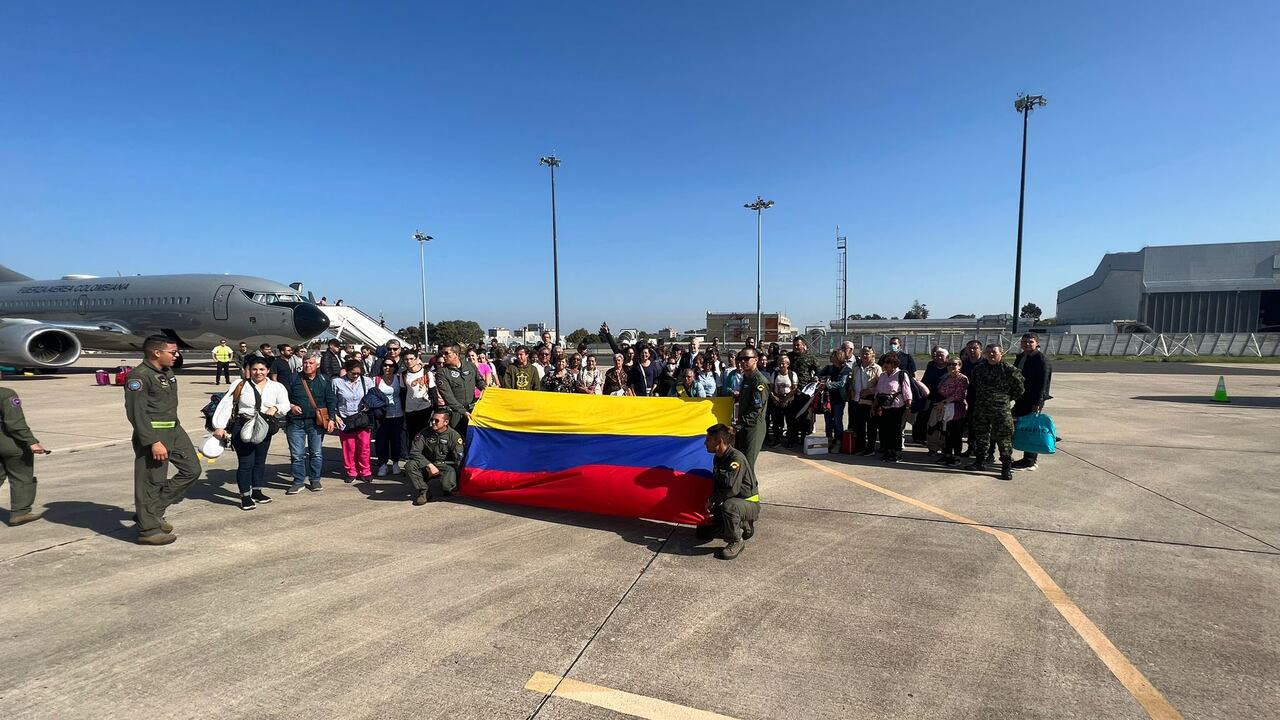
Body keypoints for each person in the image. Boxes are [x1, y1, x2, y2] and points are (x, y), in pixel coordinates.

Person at [125, 336, 202, 545]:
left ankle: (152, 510)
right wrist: (152, 442)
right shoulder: (139, 377)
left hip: (174, 430)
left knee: (192, 469)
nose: (176, 356)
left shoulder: (167, 373)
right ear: (156, 353)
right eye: (172, 352)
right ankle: (148, 530)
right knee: (151, 481)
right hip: (153, 435)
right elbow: (136, 413)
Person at [212, 358, 290, 510]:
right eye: (255, 369)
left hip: (264, 426)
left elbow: (286, 404)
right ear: (249, 370)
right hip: (242, 425)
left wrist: (275, 408)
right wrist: (220, 426)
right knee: (246, 462)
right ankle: (245, 496)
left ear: (267, 370)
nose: (258, 372)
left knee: (260, 461)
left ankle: (257, 491)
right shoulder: (240, 384)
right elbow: (227, 405)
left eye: (262, 369)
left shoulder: (277, 386)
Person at [699, 423, 760, 560]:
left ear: (719, 442)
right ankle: (725, 526)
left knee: (729, 506)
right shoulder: (719, 457)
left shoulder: (735, 459)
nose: (705, 443)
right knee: (702, 533)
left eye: (708, 440)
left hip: (747, 503)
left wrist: (712, 499)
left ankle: (737, 539)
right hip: (732, 500)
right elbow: (719, 483)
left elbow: (732, 489)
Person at [965, 344, 1025, 480]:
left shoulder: (1009, 369)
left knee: (1004, 439)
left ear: (1001, 353)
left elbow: (1019, 389)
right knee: (981, 437)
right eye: (989, 352)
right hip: (981, 409)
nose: (991, 355)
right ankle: (980, 461)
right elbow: (974, 385)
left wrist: (1005, 398)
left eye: (994, 352)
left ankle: (1006, 467)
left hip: (1001, 410)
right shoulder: (979, 369)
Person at [285, 355, 337, 494]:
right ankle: (298, 481)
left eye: (311, 363)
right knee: (297, 454)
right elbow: (283, 398)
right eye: (305, 362)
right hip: (296, 423)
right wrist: (291, 406)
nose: (308, 365)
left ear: (317, 365)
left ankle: (315, 479)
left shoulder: (325, 380)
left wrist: (331, 418)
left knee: (316, 453)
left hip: (316, 423)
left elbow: (331, 400)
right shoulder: (293, 378)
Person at [1, 386, 48, 525]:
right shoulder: (5, 394)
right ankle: (20, 513)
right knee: (21, 475)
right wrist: (31, 442)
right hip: (7, 441)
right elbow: (15, 423)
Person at [404, 409, 464, 505]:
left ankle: (447, 484)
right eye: (432, 419)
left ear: (446, 422)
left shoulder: (454, 436)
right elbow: (414, 452)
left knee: (448, 489)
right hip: (429, 465)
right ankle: (424, 492)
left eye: (436, 420)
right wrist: (429, 465)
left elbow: (459, 460)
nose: (433, 422)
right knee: (410, 465)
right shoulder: (424, 433)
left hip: (446, 466)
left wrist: (461, 484)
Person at [1012, 332, 1053, 471]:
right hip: (1021, 398)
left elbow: (1043, 384)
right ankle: (1026, 457)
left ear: (1037, 343)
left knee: (1031, 429)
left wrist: (1038, 403)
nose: (1027, 344)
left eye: (1030, 342)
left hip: (1032, 400)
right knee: (1020, 426)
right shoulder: (1022, 357)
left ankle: (1030, 460)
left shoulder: (1041, 360)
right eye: (1024, 342)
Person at [333, 359, 375, 483]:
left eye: (358, 373)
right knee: (348, 447)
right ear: (347, 371)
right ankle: (351, 471)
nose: (356, 376)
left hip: (362, 418)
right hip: (344, 418)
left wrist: (368, 405)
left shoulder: (366, 381)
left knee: (364, 446)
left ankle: (365, 471)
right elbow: (332, 399)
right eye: (353, 373)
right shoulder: (337, 382)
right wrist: (335, 415)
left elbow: (373, 397)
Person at [871, 353, 913, 462]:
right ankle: (888, 451)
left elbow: (907, 392)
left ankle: (897, 452)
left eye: (888, 363)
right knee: (885, 430)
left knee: (896, 430)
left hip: (897, 407)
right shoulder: (883, 376)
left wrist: (908, 408)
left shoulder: (901, 374)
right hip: (884, 407)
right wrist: (874, 406)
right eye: (884, 363)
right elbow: (878, 392)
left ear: (894, 364)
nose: (885, 365)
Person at [437, 344, 486, 434]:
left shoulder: (470, 366)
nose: (443, 356)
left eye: (446, 353)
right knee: (458, 438)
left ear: (456, 354)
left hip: (472, 410)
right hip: (456, 413)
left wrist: (485, 388)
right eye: (442, 353)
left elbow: (479, 380)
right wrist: (463, 412)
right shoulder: (442, 372)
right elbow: (448, 397)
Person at [733, 349, 769, 469]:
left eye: (747, 359)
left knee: (747, 465)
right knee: (740, 462)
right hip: (743, 425)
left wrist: (737, 426)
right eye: (740, 359)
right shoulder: (746, 379)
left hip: (753, 427)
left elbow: (756, 410)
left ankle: (751, 488)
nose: (743, 361)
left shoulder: (759, 382)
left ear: (756, 360)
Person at [373, 359, 406, 477]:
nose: (388, 368)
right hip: (382, 416)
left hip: (398, 414)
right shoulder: (377, 380)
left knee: (396, 440)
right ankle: (382, 464)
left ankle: (396, 463)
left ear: (395, 367)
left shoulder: (399, 378)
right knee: (382, 441)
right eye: (385, 365)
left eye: (391, 365)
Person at [935, 356, 969, 466]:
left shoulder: (962, 379)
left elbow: (958, 394)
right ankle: (947, 454)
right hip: (945, 409)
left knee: (956, 434)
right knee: (947, 433)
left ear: (959, 366)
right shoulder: (945, 377)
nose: (951, 366)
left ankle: (957, 456)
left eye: (954, 364)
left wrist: (943, 402)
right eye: (949, 364)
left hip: (957, 409)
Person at [786, 338, 820, 445]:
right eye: (794, 345)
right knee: (791, 416)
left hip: (805, 391)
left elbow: (819, 370)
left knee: (805, 416)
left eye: (798, 345)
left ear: (803, 345)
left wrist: (816, 379)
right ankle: (792, 438)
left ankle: (804, 438)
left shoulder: (810, 357)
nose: (796, 347)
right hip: (791, 391)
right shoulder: (789, 357)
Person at [915, 347, 951, 447]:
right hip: (930, 397)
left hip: (944, 400)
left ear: (947, 358)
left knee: (943, 424)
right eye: (937, 355)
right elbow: (925, 379)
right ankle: (928, 442)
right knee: (928, 420)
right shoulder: (931, 365)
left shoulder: (950, 368)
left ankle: (943, 445)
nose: (939, 357)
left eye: (942, 355)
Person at [850, 347, 882, 456]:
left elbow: (880, 386)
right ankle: (860, 447)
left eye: (867, 354)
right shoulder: (856, 367)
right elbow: (852, 381)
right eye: (863, 353)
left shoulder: (877, 368)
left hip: (870, 402)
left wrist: (870, 391)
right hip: (857, 401)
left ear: (873, 355)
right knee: (859, 426)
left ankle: (870, 449)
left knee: (871, 427)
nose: (864, 356)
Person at [818, 349, 850, 452]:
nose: (831, 357)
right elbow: (819, 375)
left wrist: (827, 384)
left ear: (839, 357)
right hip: (827, 399)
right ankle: (829, 440)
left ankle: (838, 441)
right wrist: (816, 379)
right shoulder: (828, 368)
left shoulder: (845, 369)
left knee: (837, 421)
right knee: (828, 421)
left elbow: (841, 383)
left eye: (833, 355)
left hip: (838, 399)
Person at [402, 350, 434, 443]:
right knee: (412, 434)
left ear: (417, 359)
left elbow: (432, 390)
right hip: (410, 409)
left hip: (425, 408)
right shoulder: (403, 375)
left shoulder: (426, 373)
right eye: (406, 359)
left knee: (424, 434)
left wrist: (435, 407)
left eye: (411, 359)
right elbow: (403, 392)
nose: (409, 361)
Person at [766, 355, 796, 448]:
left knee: (790, 422)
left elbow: (794, 389)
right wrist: (774, 397)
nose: (781, 365)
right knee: (776, 422)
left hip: (789, 401)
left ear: (788, 364)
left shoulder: (792, 374)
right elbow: (770, 388)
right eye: (779, 364)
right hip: (777, 400)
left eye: (783, 363)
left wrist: (786, 400)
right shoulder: (774, 375)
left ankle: (790, 441)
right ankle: (776, 440)